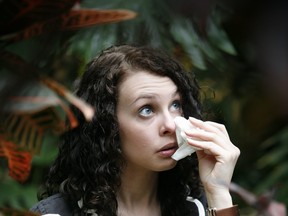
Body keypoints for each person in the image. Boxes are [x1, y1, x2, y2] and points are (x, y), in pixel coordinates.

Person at [31, 44, 240, 216]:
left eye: (175, 105)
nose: (170, 125)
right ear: (105, 124)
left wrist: (219, 192)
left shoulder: (199, 208)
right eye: (147, 110)